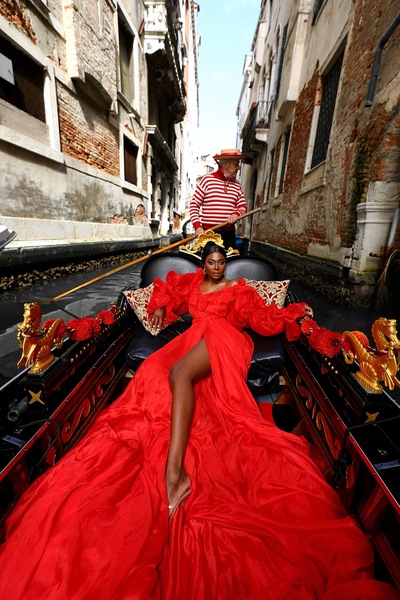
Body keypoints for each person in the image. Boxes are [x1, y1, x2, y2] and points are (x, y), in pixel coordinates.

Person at [0, 241, 398, 600]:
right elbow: (168, 297)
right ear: (203, 265)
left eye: (221, 261)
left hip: (224, 341)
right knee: (152, 375)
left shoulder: (238, 289)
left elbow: (260, 319)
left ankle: (175, 473)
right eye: (211, 262)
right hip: (191, 341)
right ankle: (175, 451)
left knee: (178, 375)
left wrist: (293, 312)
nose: (217, 267)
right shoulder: (191, 285)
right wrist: (159, 308)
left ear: (226, 264)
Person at [190, 148, 248, 250]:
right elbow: (194, 205)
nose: (239, 167)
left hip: (229, 234)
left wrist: (236, 214)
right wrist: (197, 226)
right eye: (236, 164)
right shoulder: (207, 180)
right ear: (226, 165)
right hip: (208, 234)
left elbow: (243, 206)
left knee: (229, 259)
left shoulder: (237, 185)